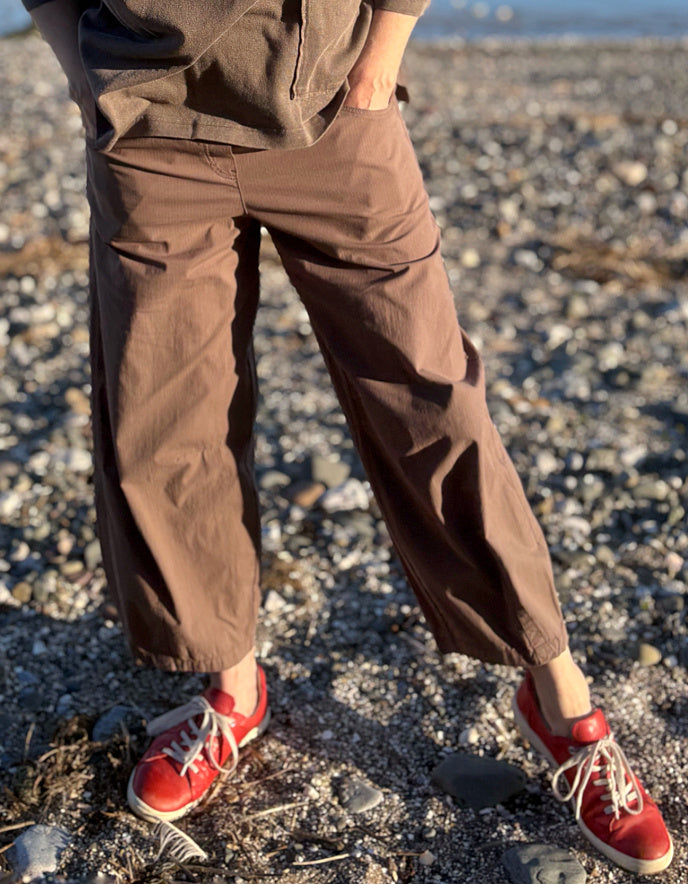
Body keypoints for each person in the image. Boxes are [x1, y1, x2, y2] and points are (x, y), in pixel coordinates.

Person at [24, 0, 673, 875]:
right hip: (148, 124)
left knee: (434, 404)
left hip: (333, 105)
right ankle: (232, 688)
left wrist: (380, 58)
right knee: (166, 418)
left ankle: (561, 700)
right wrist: (77, 62)